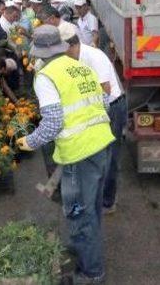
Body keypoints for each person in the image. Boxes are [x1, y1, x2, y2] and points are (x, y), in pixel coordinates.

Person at [17, 25, 114, 284]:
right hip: (101, 144)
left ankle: (91, 273)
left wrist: (30, 141)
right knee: (91, 207)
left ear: (38, 52)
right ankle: (86, 251)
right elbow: (104, 101)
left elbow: (52, 123)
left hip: (78, 153)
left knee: (79, 213)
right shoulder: (81, 66)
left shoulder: (46, 76)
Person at [62, 26, 126, 214]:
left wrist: (92, 117)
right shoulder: (74, 58)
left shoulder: (94, 56)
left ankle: (108, 201)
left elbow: (104, 89)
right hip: (97, 108)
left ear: (70, 46)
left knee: (110, 156)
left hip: (111, 108)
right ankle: (94, 194)